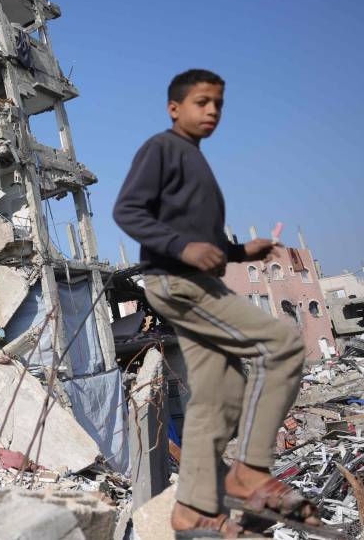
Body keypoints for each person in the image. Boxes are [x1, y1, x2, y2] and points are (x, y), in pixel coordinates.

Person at [113, 69, 317, 538]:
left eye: (218, 104)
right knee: (283, 342)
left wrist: (243, 253)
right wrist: (183, 250)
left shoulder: (194, 161)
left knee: (216, 393)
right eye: (201, 102)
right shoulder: (162, 150)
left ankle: (194, 511)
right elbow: (127, 210)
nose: (212, 112)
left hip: (195, 280)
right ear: (174, 109)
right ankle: (249, 471)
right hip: (178, 282)